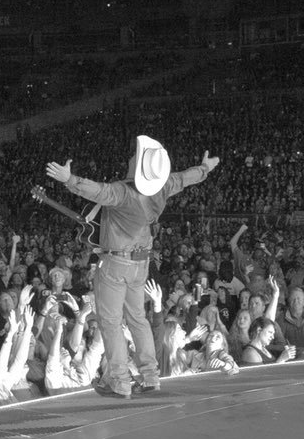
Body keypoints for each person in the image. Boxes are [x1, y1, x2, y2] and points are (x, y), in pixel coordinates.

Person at [46, 135, 218, 396]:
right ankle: (150, 376)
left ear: (137, 166)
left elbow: (95, 190)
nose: (129, 157)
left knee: (111, 322)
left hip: (115, 264)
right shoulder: (163, 188)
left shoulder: (122, 192)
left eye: (133, 157)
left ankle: (120, 381)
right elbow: (185, 177)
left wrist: (69, 179)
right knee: (138, 319)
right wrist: (205, 168)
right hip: (141, 264)